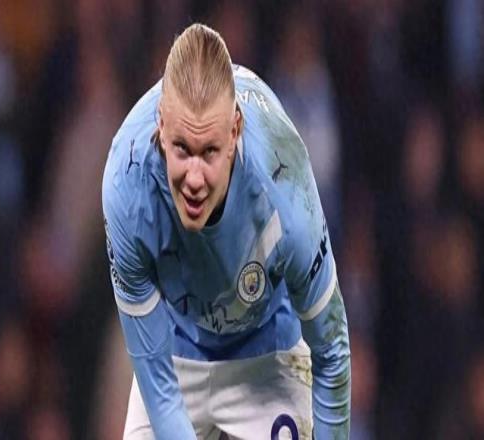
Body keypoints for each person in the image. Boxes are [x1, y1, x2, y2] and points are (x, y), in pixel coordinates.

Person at [102, 23, 350, 440]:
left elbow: (332, 353)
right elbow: (158, 385)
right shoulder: (126, 185)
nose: (194, 178)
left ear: (235, 131)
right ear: (161, 124)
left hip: (269, 354)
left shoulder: (286, 191)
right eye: (182, 149)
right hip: (175, 357)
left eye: (209, 152)